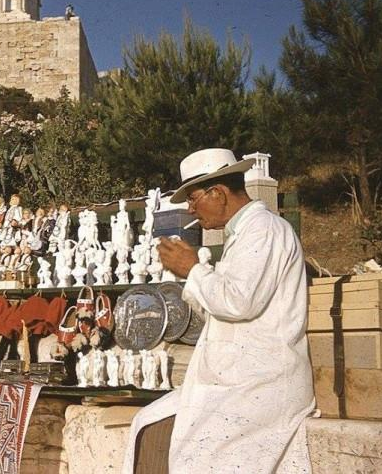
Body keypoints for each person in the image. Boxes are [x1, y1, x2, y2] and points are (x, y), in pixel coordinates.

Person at [121, 148, 314, 473]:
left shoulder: (264, 230)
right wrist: (191, 272)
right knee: (146, 423)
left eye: (194, 198)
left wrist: (193, 268)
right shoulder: (243, 235)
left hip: (261, 382)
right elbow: (224, 308)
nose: (190, 208)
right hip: (234, 380)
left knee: (202, 459)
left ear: (219, 193)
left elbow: (238, 302)